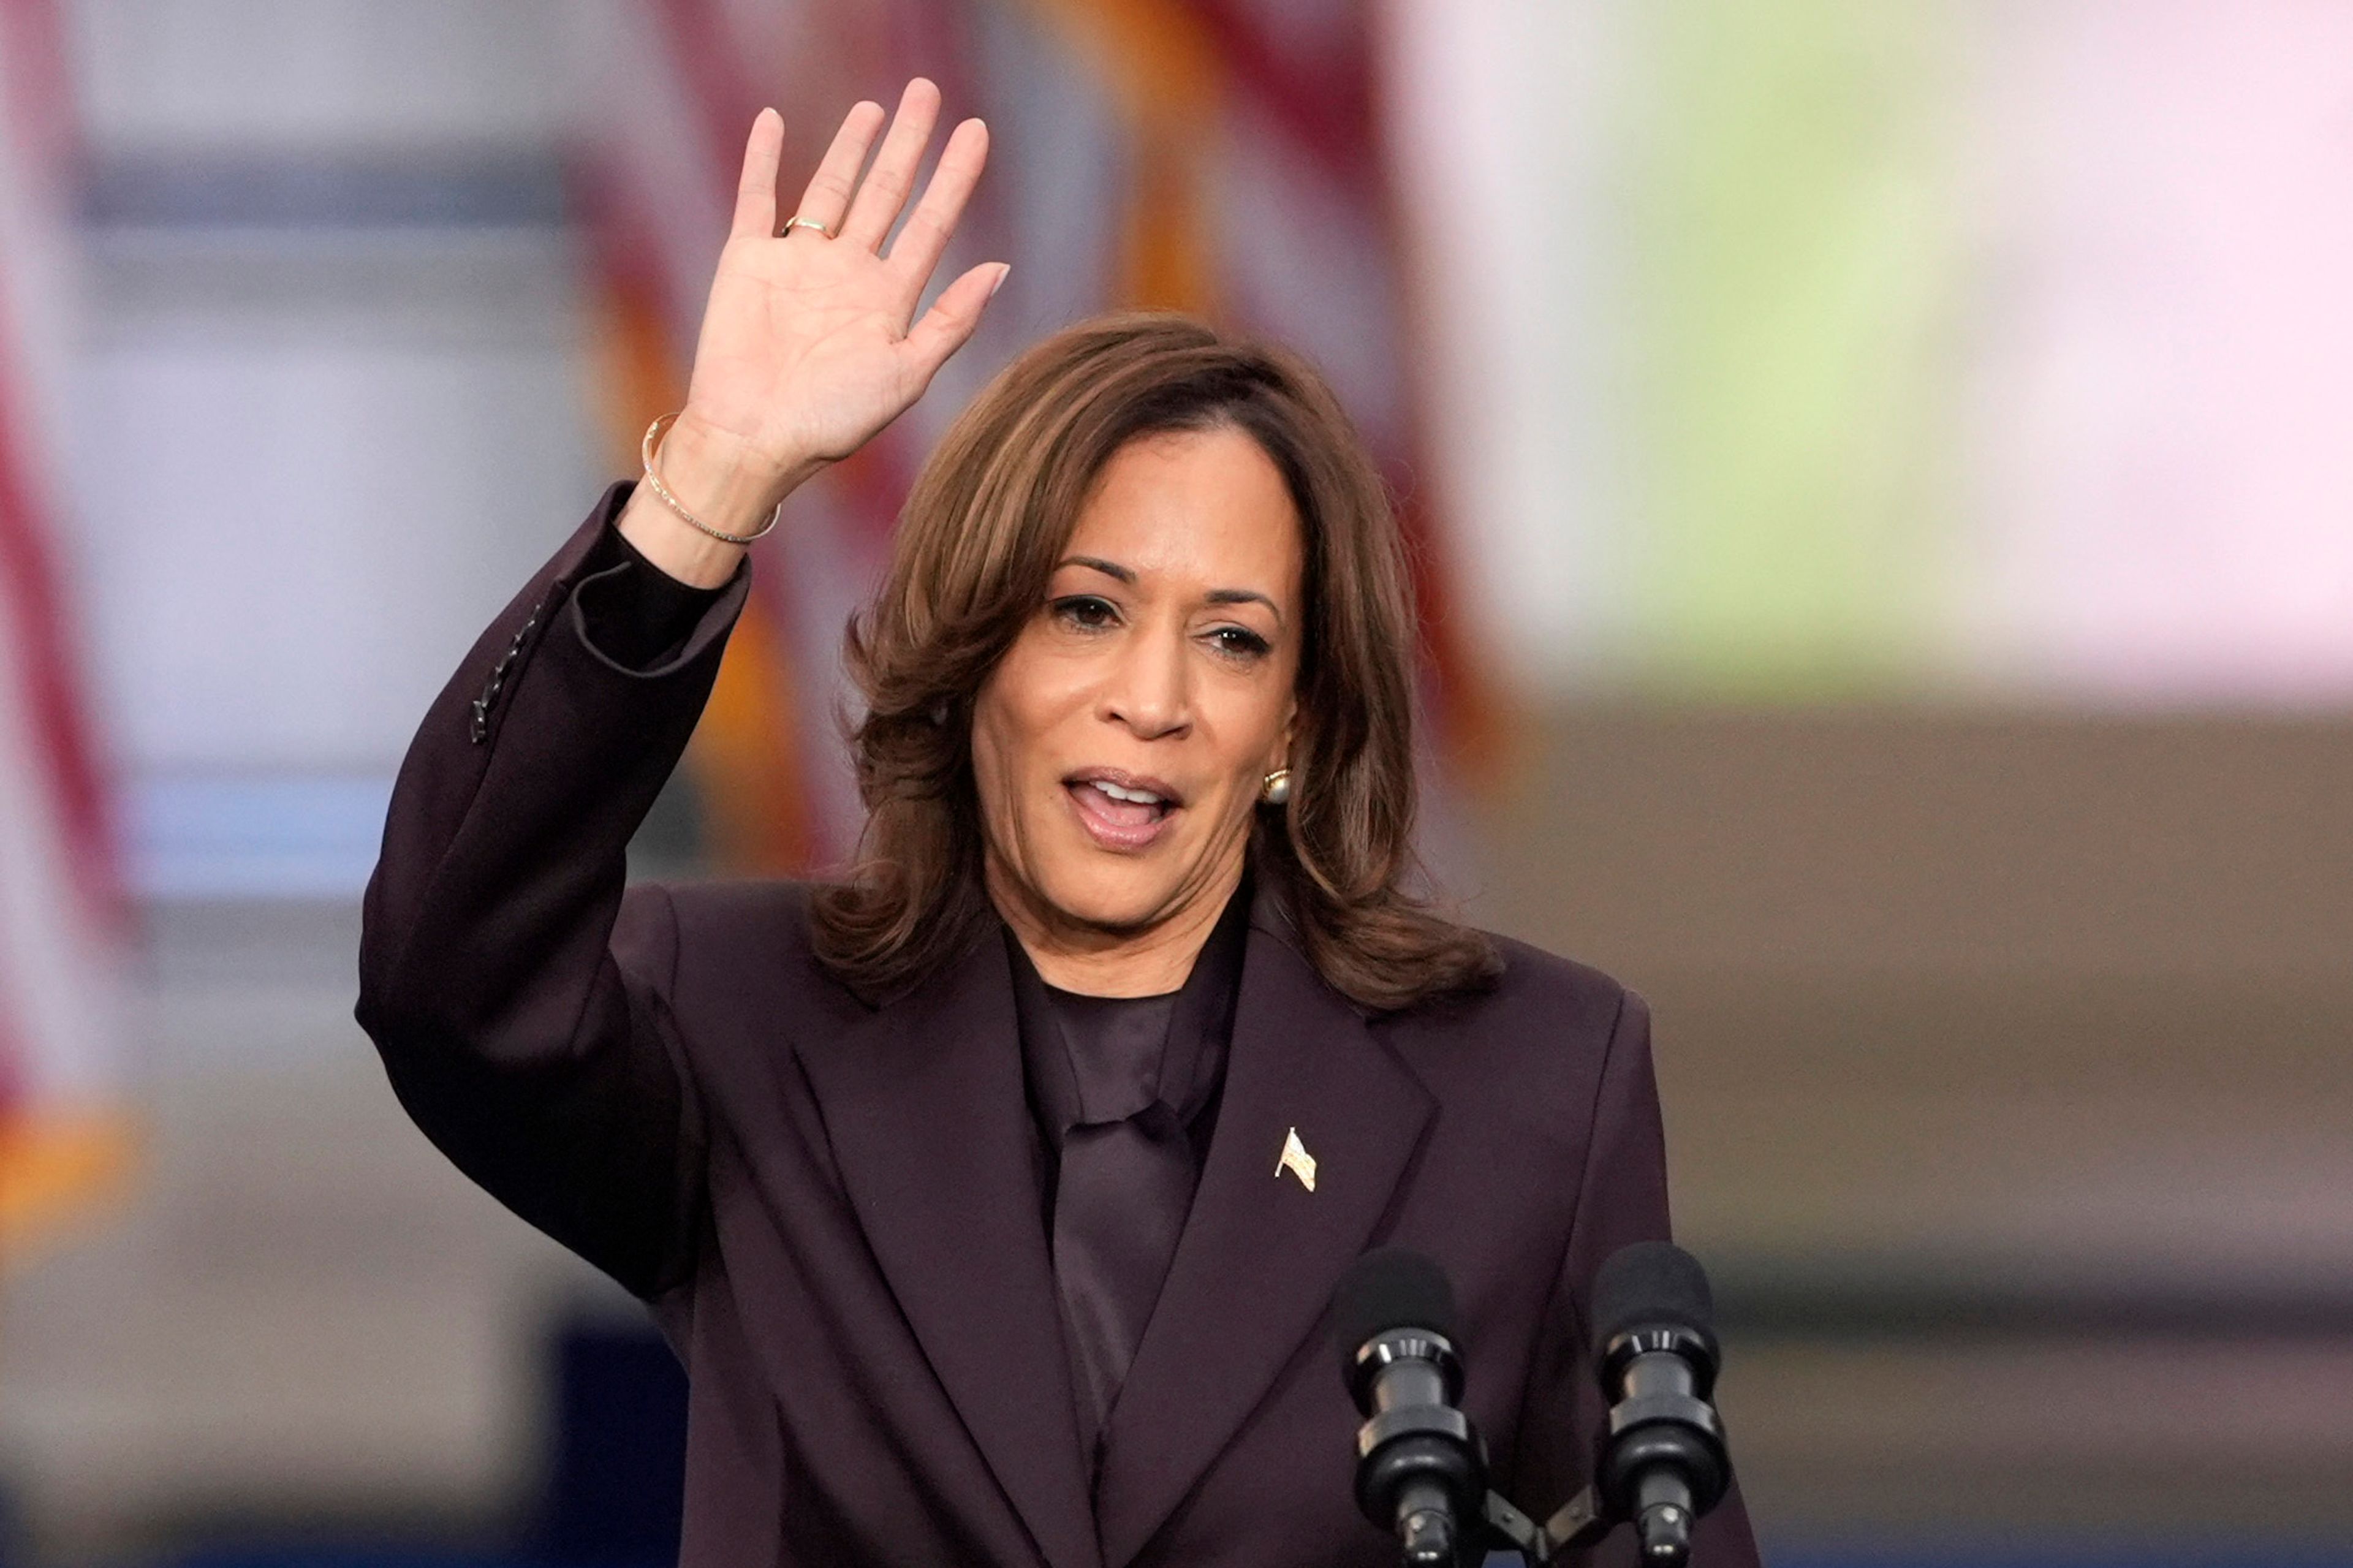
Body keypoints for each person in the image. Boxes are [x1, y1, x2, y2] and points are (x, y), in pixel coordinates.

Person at [357, 79, 1760, 1568]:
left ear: (1296, 717)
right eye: (1085, 611)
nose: (1149, 697)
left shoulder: (1533, 1078)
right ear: (973, 658)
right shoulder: (746, 1022)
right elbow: (451, 971)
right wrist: (708, 482)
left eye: (1232, 639)